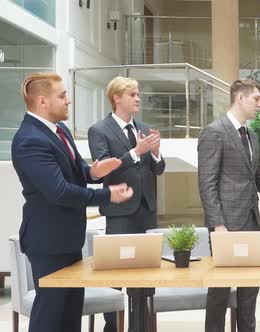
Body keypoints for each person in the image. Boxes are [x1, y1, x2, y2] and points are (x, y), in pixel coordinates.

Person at [11, 72, 133, 332]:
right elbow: (59, 191)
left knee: (69, 318)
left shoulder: (59, 130)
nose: (69, 101)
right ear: (43, 101)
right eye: (63, 95)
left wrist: (94, 173)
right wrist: (106, 194)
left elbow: (76, 170)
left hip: (68, 240)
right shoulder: (29, 140)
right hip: (48, 243)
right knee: (50, 318)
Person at [198, 79, 260, 332]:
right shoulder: (214, 131)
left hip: (251, 221)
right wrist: (217, 224)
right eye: (256, 99)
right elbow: (206, 183)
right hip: (225, 225)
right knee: (219, 294)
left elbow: (259, 179)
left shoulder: (252, 136)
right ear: (240, 98)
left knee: (249, 292)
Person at [88, 76, 166, 331]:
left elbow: (158, 170)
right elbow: (103, 171)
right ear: (116, 98)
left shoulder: (143, 127)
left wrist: (156, 153)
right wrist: (136, 152)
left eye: (138, 94)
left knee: (147, 272)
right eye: (132, 94)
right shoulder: (99, 130)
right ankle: (112, 326)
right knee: (116, 274)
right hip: (120, 212)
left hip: (146, 211)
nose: (138, 99)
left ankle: (142, 326)